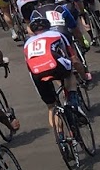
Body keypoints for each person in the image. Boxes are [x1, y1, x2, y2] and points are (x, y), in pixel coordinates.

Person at [21, 14, 86, 153]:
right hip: (55, 66)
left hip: (37, 73)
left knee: (52, 107)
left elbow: (29, 65)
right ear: (48, 26)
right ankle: (72, 101)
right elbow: (72, 57)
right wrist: (83, 75)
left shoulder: (27, 43)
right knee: (69, 74)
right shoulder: (56, 34)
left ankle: (61, 140)